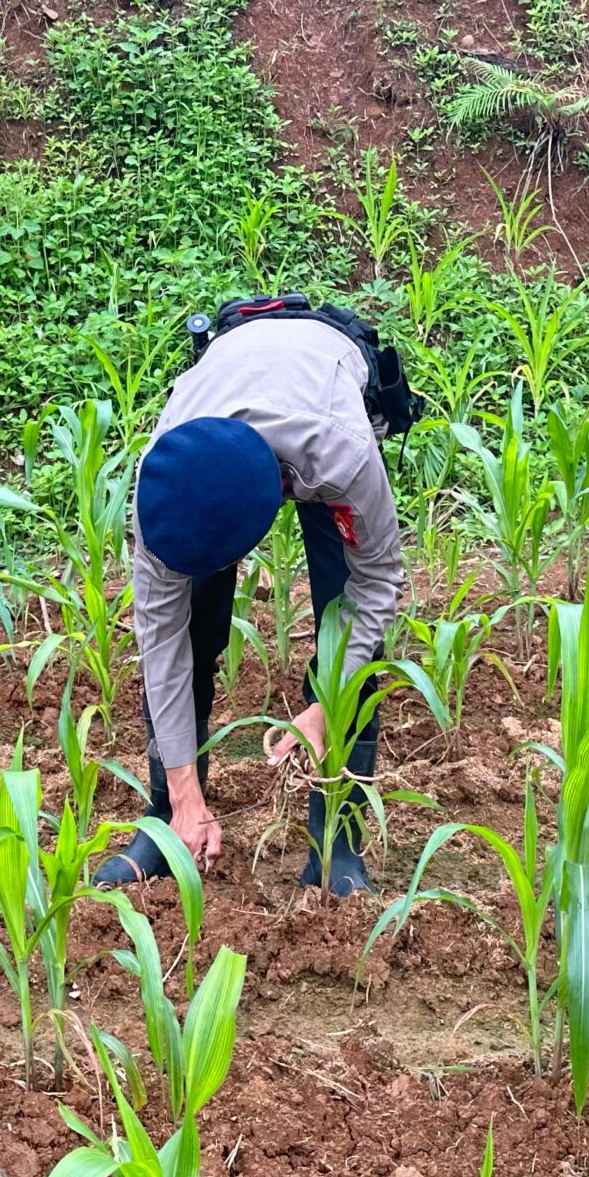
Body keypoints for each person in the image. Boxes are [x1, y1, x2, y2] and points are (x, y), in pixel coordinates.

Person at [92, 304, 407, 897]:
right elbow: (159, 643)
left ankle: (336, 841)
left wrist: (326, 705)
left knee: (348, 621)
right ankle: (169, 816)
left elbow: (379, 582)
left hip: (322, 388)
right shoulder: (165, 484)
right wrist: (185, 791)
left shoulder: (342, 456)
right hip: (227, 395)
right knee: (189, 632)